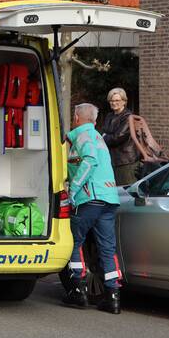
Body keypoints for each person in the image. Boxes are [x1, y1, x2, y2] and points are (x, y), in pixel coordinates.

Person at [61, 103, 122, 314]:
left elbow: (89, 161)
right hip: (109, 198)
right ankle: (112, 296)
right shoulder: (98, 138)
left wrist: (73, 190)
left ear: (76, 117)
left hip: (89, 198)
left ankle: (78, 291)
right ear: (95, 121)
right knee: (107, 248)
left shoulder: (82, 137)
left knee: (74, 242)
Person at [100, 87, 138, 186]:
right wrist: (106, 136)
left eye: (117, 100)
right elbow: (103, 132)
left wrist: (105, 137)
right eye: (111, 101)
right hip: (112, 160)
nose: (114, 103)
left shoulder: (128, 117)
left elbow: (117, 137)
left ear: (124, 101)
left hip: (125, 161)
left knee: (127, 191)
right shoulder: (109, 116)